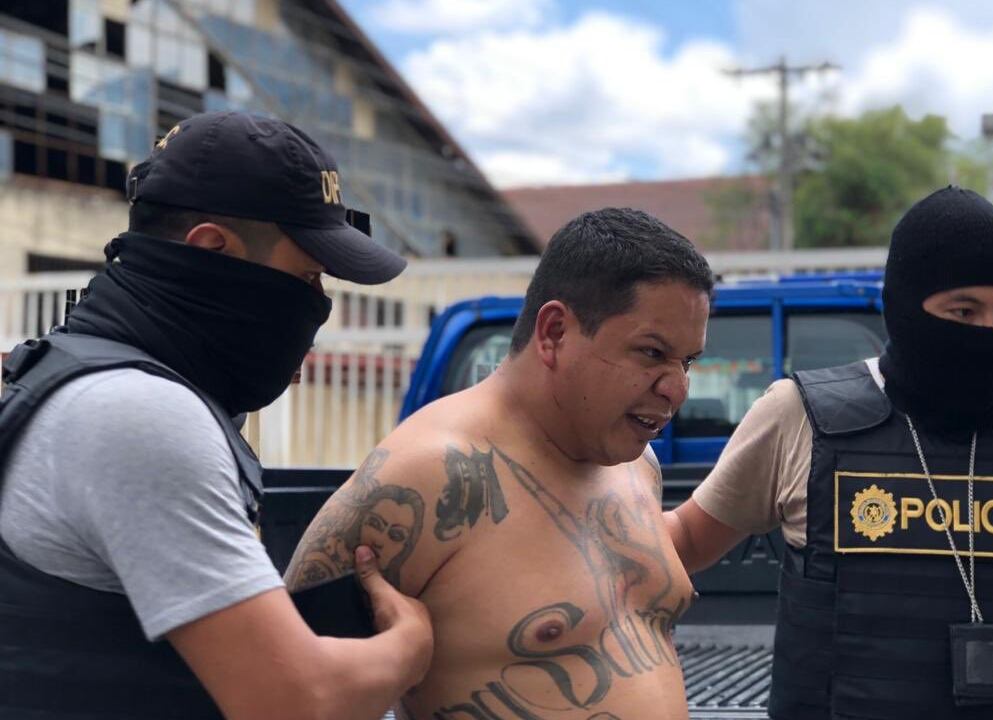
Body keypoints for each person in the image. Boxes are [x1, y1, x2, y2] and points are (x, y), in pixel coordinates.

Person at [665, 186, 993, 719]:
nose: (989, 333)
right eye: (964, 311)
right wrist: (612, 497)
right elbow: (684, 541)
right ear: (903, 306)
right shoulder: (798, 417)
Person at [0, 111, 433, 719]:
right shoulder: (139, 413)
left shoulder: (95, 377)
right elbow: (293, 702)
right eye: (307, 276)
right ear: (212, 250)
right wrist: (410, 646)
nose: (317, 305)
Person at [286, 208, 713, 719]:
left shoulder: (636, 464)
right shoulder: (427, 476)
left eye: (688, 361)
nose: (677, 389)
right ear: (554, 331)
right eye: (652, 353)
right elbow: (278, 693)